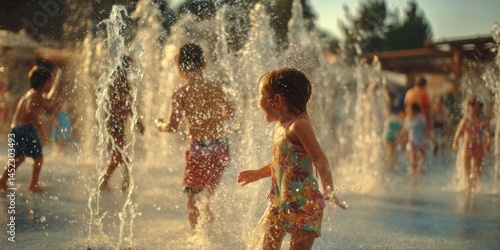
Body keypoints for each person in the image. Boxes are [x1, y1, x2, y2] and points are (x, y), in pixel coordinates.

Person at [237, 68, 347, 250]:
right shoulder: (280, 127)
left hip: (305, 204)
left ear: (277, 100)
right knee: (267, 246)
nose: (257, 101)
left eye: (261, 95)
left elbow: (319, 158)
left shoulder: (299, 125)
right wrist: (258, 173)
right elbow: (282, 163)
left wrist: (328, 189)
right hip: (280, 201)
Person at [155, 43, 235, 234]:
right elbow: (231, 111)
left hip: (200, 149)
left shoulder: (180, 94)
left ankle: (197, 237)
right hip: (221, 147)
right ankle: (211, 234)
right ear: (204, 64)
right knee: (206, 195)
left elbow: (172, 126)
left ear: (180, 69)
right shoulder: (216, 87)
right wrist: (217, 118)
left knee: (192, 197)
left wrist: (159, 125)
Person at [0, 65, 63, 192]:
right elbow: (34, 111)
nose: (50, 85)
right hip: (26, 129)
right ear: (42, 83)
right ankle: (33, 185)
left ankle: (2, 181)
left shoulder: (32, 94)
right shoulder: (36, 96)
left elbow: (46, 104)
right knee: (38, 157)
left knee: (19, 157)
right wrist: (40, 129)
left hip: (16, 128)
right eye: (49, 82)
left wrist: (54, 95)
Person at [99, 56, 145, 192]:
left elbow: (128, 104)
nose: (130, 70)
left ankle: (124, 183)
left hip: (118, 125)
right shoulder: (115, 84)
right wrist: (135, 120)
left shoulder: (124, 83)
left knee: (122, 156)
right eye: (128, 68)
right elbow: (115, 106)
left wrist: (137, 121)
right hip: (114, 125)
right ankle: (106, 181)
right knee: (119, 156)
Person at [452, 96, 491, 191]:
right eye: (472, 104)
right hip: (467, 147)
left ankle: (474, 187)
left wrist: (488, 144)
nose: (474, 107)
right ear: (468, 106)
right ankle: (469, 187)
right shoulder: (465, 120)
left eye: (476, 105)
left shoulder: (482, 121)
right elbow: (458, 133)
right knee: (467, 171)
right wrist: (455, 143)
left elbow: (488, 134)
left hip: (478, 147)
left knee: (476, 170)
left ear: (480, 107)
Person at [401, 102, 427, 175]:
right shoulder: (408, 118)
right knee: (412, 156)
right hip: (412, 140)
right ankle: (413, 170)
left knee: (422, 155)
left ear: (414, 110)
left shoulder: (421, 118)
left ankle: (419, 168)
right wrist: (403, 137)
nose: (407, 110)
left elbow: (425, 129)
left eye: (409, 109)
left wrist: (427, 138)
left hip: (420, 139)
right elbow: (405, 129)